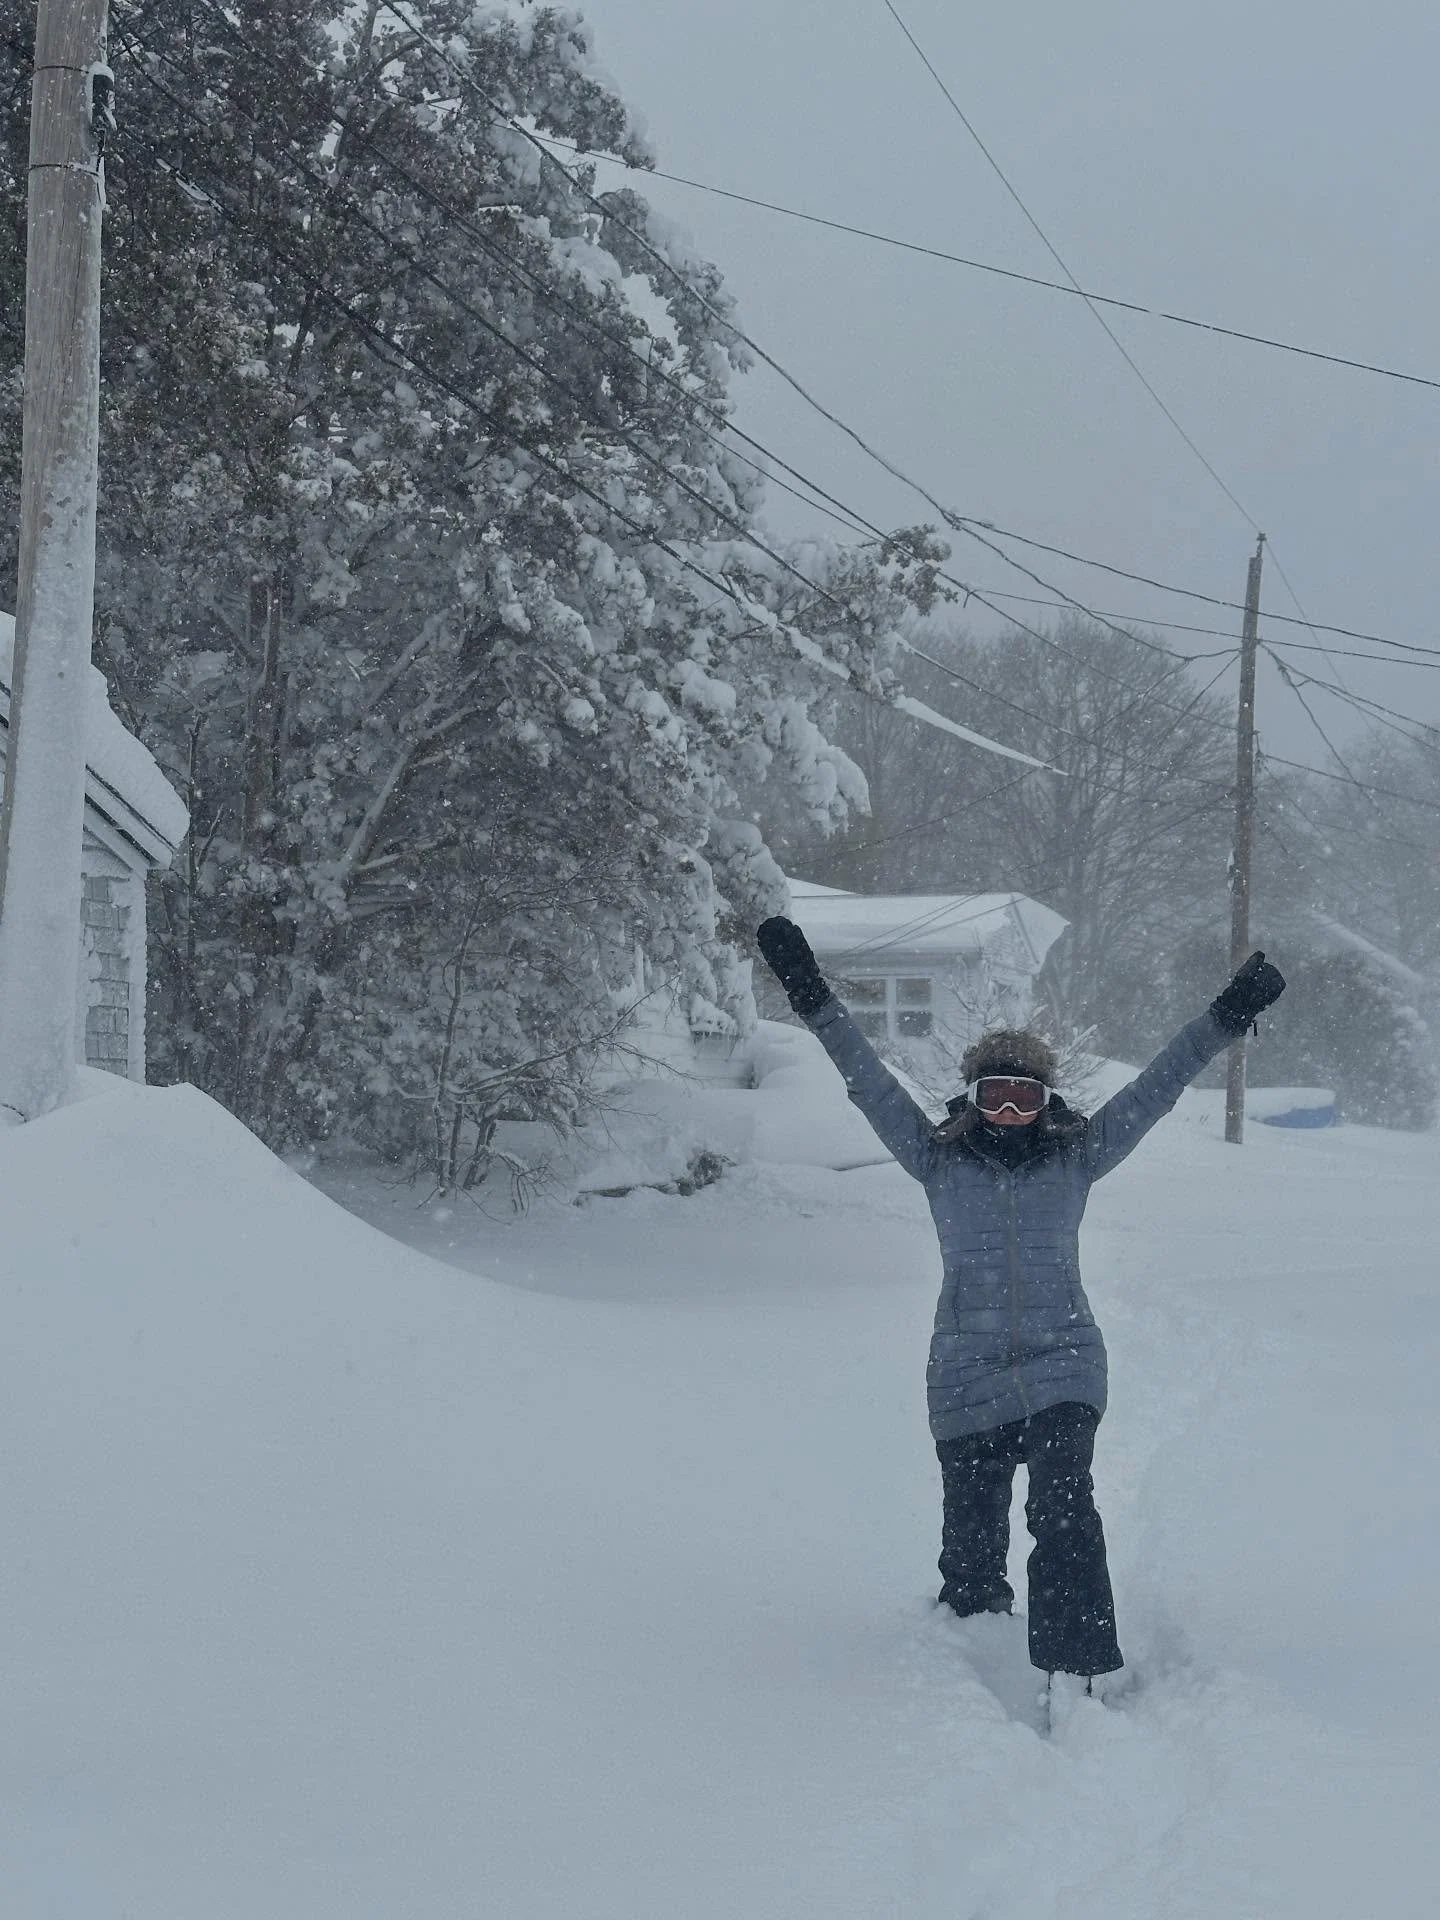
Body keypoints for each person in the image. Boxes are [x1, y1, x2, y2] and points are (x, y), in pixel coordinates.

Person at [755, 916, 1285, 1699]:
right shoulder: (934, 1159)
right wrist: (810, 993)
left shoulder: (1080, 1156)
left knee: (1064, 1508)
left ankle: (1074, 1667)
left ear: (1046, 1100)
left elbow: (1160, 1084)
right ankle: (973, 1646)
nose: (1008, 1111)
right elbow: (864, 1074)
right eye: (994, 1095)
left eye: (1024, 1096)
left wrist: (1226, 1017)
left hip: (1062, 1362)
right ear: (971, 1097)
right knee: (971, 1558)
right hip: (966, 1373)